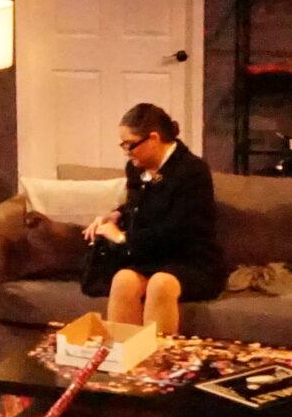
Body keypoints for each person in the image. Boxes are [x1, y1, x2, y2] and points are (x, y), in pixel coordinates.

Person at [84, 102, 223, 337]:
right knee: (123, 280)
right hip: (151, 257)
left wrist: (122, 238)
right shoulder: (136, 168)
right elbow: (141, 204)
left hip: (191, 260)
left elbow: (178, 230)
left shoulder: (192, 170)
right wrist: (117, 215)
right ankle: (124, 355)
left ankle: (157, 359)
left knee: (160, 284)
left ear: (154, 138)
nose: (126, 152)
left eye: (130, 145)